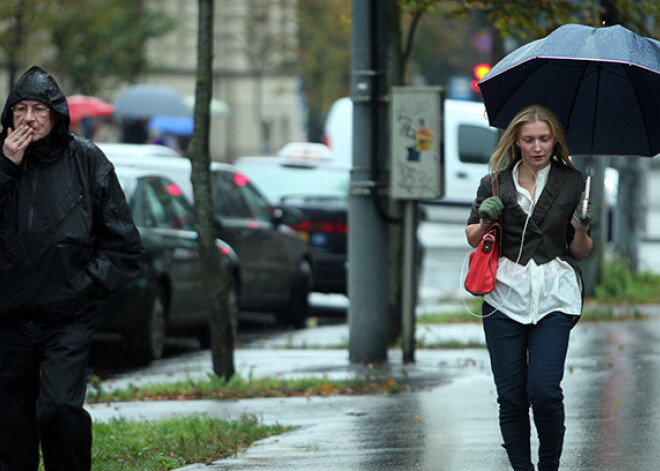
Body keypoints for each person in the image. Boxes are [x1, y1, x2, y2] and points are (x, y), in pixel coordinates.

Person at [0, 65, 143, 470]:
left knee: (60, 411)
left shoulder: (86, 161)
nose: (29, 118)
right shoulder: (2, 161)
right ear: (9, 115)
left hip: (65, 318)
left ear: (57, 115)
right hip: (8, 319)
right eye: (21, 109)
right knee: (10, 430)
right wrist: (6, 168)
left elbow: (125, 247)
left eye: (39, 109)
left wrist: (82, 286)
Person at [465, 104, 593, 471]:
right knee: (512, 397)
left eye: (545, 138)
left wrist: (582, 227)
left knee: (544, 391)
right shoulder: (494, 182)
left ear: (555, 140)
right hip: (503, 296)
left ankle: (549, 466)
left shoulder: (572, 182)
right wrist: (487, 217)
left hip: (554, 296)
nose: (537, 147)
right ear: (516, 142)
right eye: (529, 140)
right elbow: (473, 236)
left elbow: (580, 252)